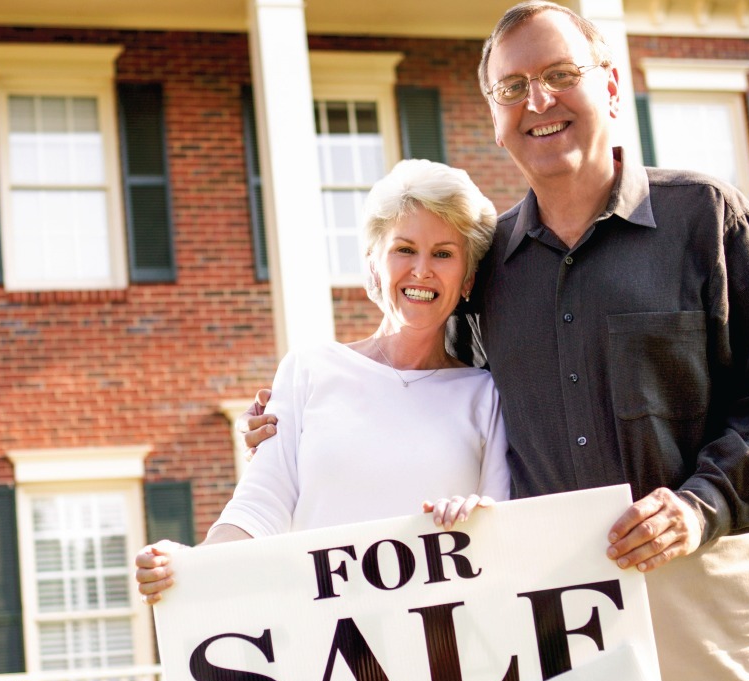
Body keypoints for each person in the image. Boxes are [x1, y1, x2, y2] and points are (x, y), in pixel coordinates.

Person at [240, 3, 749, 681]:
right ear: (493, 112)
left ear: (609, 83)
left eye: (558, 74)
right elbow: (439, 403)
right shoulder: (491, 273)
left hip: (704, 595)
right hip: (554, 623)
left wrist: (698, 507)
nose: (538, 99)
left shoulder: (700, 215)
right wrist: (286, 431)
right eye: (511, 86)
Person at [136, 158, 510, 601]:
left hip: (441, 641)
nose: (422, 270)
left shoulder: (485, 396)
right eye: (404, 249)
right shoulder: (309, 370)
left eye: (443, 254)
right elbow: (262, 504)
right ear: (374, 263)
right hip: (326, 641)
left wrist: (479, 519)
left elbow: (501, 531)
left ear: (467, 278)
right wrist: (192, 565)